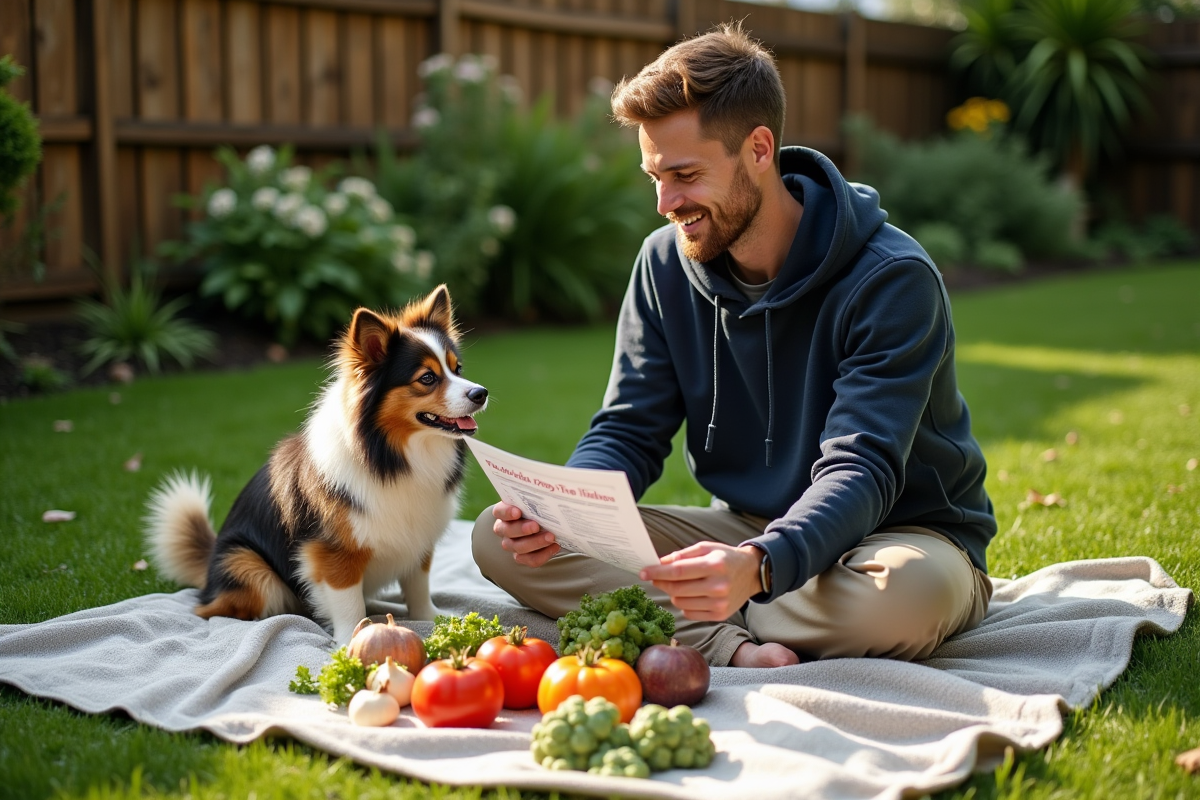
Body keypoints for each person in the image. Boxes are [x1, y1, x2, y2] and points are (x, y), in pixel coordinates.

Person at [471, 23, 996, 668]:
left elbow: (863, 468)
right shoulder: (663, 264)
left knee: (902, 600)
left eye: (686, 174)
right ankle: (732, 642)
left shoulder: (891, 279)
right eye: (654, 177)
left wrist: (757, 567)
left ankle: (702, 612)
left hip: (895, 536)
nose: (666, 202)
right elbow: (631, 429)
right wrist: (564, 512)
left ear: (758, 148)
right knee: (496, 543)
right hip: (745, 529)